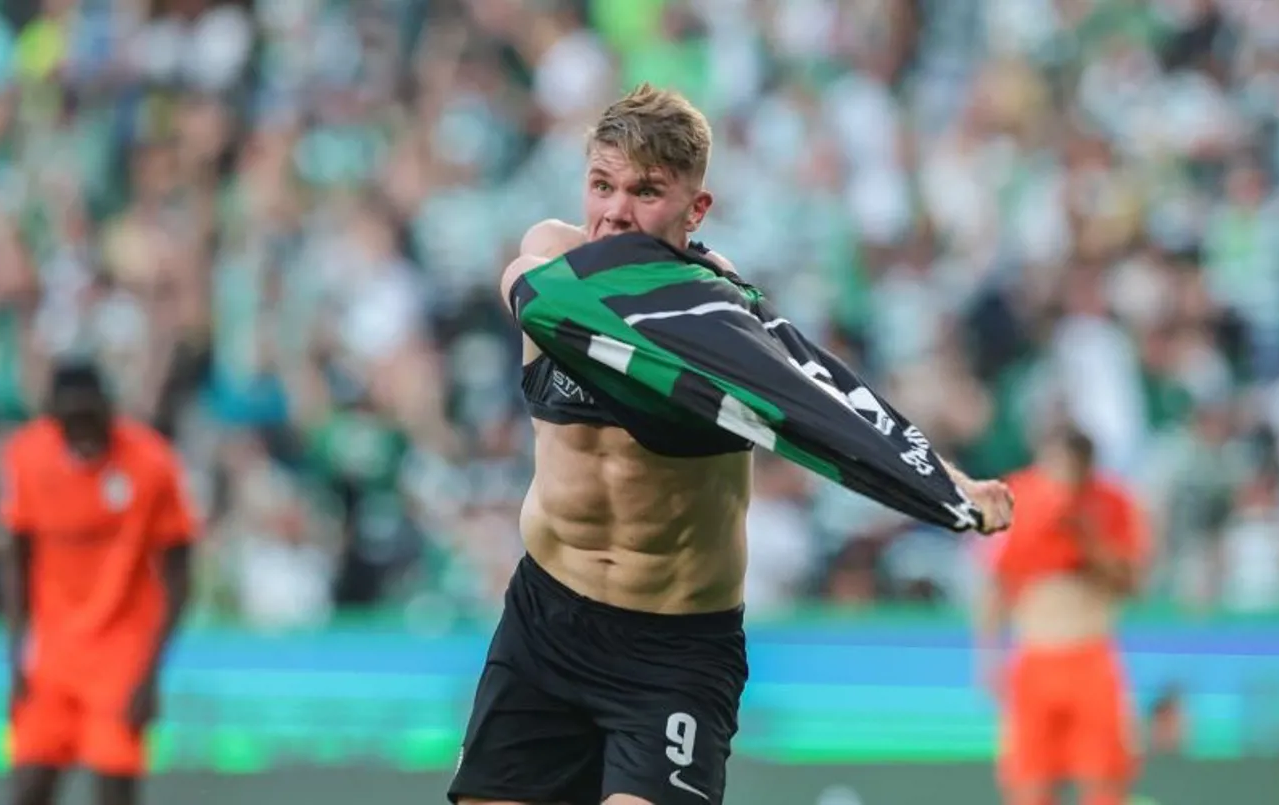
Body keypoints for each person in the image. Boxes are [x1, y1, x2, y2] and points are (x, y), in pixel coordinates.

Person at [449, 83, 1013, 805]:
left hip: (673, 647)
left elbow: (821, 397)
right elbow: (524, 284)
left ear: (696, 208)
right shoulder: (551, 260)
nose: (615, 210)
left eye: (646, 192)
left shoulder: (716, 314)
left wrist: (942, 481)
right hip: (545, 620)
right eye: (602, 184)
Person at [0, 358, 198, 805]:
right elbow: (16, 561)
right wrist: (15, 660)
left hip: (121, 654)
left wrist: (151, 674)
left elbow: (180, 570)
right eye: (70, 420)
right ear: (52, 416)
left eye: (91, 417)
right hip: (51, 654)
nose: (83, 432)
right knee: (29, 787)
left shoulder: (151, 462)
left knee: (113, 791)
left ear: (110, 408)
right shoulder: (26, 456)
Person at [973, 424, 1151, 805]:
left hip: (1091, 651)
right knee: (1030, 783)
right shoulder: (1018, 498)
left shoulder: (1111, 503)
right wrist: (989, 654)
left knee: (1103, 780)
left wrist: (1086, 538)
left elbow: (1131, 582)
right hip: (1036, 654)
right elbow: (997, 582)